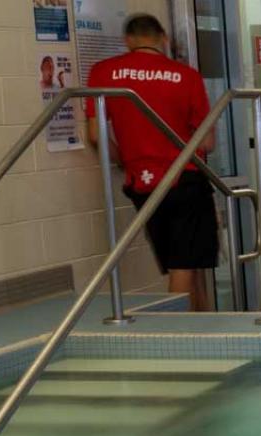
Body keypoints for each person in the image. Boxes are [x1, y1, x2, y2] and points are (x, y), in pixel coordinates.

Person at [85, 14, 218, 312]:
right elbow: (206, 141)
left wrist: (124, 160)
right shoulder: (186, 76)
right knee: (185, 264)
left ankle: (204, 324)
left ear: (128, 41)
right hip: (185, 179)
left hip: (142, 183)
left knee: (187, 263)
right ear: (164, 39)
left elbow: (95, 135)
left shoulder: (103, 72)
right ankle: (175, 331)